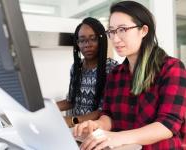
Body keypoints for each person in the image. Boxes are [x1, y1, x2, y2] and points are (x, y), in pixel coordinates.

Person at [73, 1, 186, 150]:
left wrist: (117, 137)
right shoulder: (115, 74)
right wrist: (98, 125)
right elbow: (109, 115)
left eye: (123, 29)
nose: (115, 38)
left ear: (144, 30)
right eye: (112, 31)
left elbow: (168, 124)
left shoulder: (171, 68)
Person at [57, 17, 118, 128]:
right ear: (77, 44)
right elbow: (71, 101)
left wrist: (72, 120)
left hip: (97, 131)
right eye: (82, 40)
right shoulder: (76, 68)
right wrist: (48, 108)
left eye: (93, 39)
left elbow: (104, 110)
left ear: (101, 40)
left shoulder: (112, 69)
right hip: (76, 130)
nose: (87, 44)